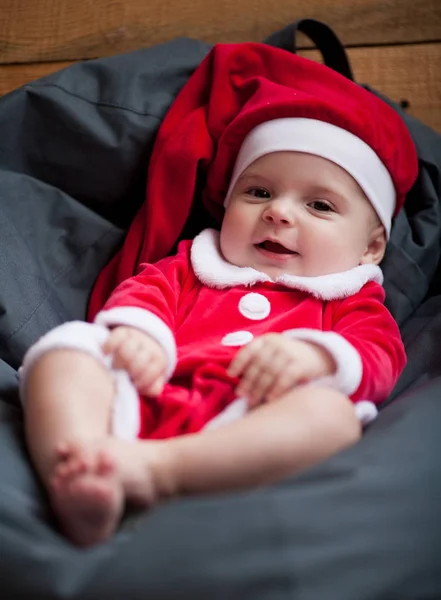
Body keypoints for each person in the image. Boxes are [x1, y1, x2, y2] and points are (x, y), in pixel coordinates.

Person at [19, 43, 418, 547]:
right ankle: (80, 463)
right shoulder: (193, 265)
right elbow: (143, 295)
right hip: (146, 397)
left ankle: (157, 472)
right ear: (226, 205)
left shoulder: (350, 300)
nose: (279, 213)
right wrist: (137, 335)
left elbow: (381, 355)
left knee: (332, 417)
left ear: (371, 246)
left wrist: (318, 356)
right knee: (67, 350)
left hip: (250, 427)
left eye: (319, 204)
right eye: (258, 193)